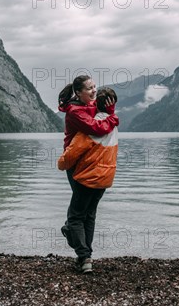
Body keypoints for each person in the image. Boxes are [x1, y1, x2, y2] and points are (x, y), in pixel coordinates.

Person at [57, 77, 119, 273]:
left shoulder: (89, 105)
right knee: (84, 213)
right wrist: (112, 117)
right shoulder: (75, 112)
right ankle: (84, 255)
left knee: (82, 214)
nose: (94, 91)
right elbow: (96, 127)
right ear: (79, 93)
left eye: (94, 87)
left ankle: (84, 255)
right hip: (77, 164)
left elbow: (99, 119)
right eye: (89, 88)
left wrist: (109, 112)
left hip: (87, 164)